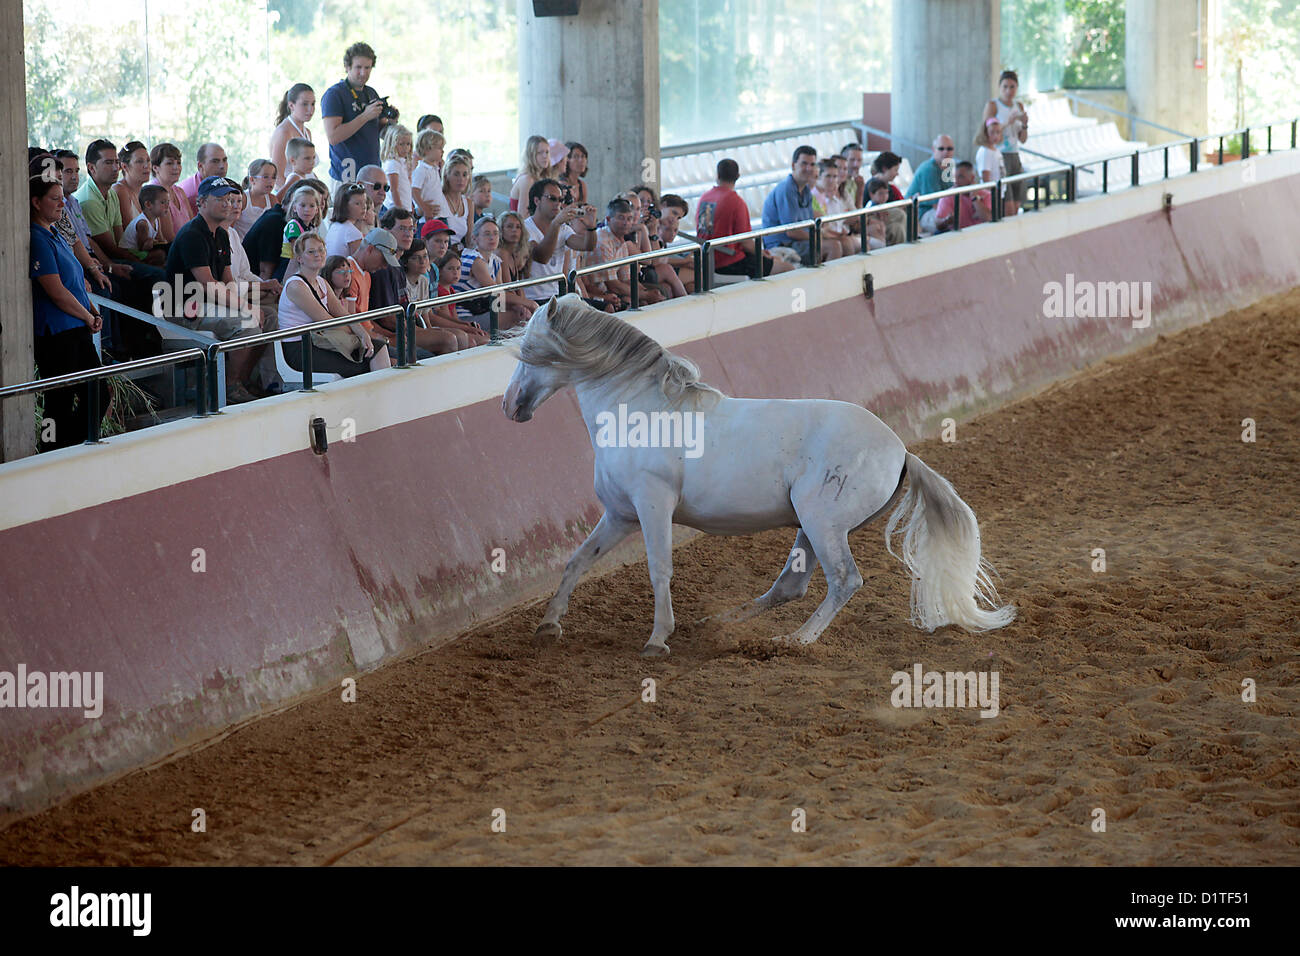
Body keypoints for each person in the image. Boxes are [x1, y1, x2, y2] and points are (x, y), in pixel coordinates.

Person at [161, 176, 266, 402]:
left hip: (208, 303)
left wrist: (251, 306)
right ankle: (227, 386)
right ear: (201, 202)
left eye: (229, 198)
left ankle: (241, 379)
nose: (227, 204)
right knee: (247, 324)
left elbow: (228, 279)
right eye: (220, 199)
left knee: (271, 318)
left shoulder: (221, 234)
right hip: (183, 308)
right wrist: (247, 308)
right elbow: (208, 285)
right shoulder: (192, 234)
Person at [29, 170, 108, 450]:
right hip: (57, 332)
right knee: (59, 400)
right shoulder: (37, 238)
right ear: (37, 202)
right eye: (55, 199)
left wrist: (91, 310)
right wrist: (87, 314)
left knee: (97, 393)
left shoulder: (56, 232)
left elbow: (75, 281)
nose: (62, 204)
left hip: (77, 326)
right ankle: (52, 450)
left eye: (62, 198)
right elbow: (56, 291)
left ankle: (72, 448)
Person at [279, 233, 390, 378]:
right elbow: (326, 321)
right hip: (301, 348)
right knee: (365, 364)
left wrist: (364, 334)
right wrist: (356, 333)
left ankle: (381, 398)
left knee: (378, 347)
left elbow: (343, 314)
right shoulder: (296, 286)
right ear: (299, 258)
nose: (318, 254)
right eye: (311, 252)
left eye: (321, 250)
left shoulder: (322, 282)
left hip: (321, 341)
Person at [697, 157, 792, 278]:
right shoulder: (736, 202)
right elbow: (746, 243)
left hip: (707, 260)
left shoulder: (704, 198)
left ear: (717, 175)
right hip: (729, 263)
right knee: (787, 268)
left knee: (775, 261)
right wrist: (764, 254)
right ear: (737, 176)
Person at [321, 42, 388, 190]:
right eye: (358, 67)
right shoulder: (335, 94)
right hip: (346, 176)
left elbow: (381, 132)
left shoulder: (371, 93)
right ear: (347, 66)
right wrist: (364, 116)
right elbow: (333, 137)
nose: (363, 73)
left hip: (372, 175)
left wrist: (389, 122)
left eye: (367, 68)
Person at [523, 178, 596, 303]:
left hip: (558, 296)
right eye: (552, 198)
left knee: (606, 308)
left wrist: (591, 227)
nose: (558, 203)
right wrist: (556, 223)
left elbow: (587, 245)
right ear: (537, 201)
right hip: (535, 299)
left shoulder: (563, 228)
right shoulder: (526, 228)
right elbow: (542, 257)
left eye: (560, 199)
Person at [762, 145, 831, 265]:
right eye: (804, 164)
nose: (809, 168)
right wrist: (819, 237)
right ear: (793, 165)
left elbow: (808, 224)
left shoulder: (806, 190)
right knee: (833, 246)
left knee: (844, 242)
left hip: (799, 241)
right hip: (782, 244)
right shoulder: (786, 189)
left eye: (812, 164)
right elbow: (792, 232)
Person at [983, 69, 1029, 214]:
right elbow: (986, 133)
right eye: (1005, 87)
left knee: (1016, 203)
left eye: (1012, 87)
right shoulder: (993, 105)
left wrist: (1024, 124)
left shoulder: (1019, 106)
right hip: (1000, 155)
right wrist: (1007, 123)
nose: (1008, 91)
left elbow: (1023, 139)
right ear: (999, 87)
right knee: (1007, 203)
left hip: (1014, 154)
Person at [905, 135, 956, 234]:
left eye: (949, 149)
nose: (946, 152)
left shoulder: (948, 166)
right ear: (934, 149)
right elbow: (936, 204)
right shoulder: (929, 169)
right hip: (922, 213)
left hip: (940, 208)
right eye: (941, 148)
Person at [269, 83, 316, 190]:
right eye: (305, 104)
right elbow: (277, 176)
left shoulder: (307, 132)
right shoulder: (284, 132)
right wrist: (296, 196)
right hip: (291, 196)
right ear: (291, 105)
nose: (310, 109)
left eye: (313, 104)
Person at [811, 158, 858, 257]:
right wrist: (838, 234)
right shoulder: (813, 195)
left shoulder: (830, 196)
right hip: (816, 238)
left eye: (835, 176)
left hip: (830, 235)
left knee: (850, 242)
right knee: (844, 243)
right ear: (818, 177)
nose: (832, 180)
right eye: (828, 176)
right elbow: (822, 227)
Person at [974, 117, 1017, 217]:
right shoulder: (985, 152)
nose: (996, 136)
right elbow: (986, 177)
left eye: (998, 132)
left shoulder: (995, 150)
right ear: (985, 133)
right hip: (992, 196)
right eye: (992, 132)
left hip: (999, 193)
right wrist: (990, 196)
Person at [148, 142, 191, 241]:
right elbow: (168, 237)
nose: (176, 167)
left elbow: (193, 225)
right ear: (155, 168)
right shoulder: (153, 193)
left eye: (179, 163)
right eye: (169, 163)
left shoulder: (179, 191)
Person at [933, 161, 991, 232]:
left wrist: (975, 199)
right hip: (957, 237)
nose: (956, 181)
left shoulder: (986, 194)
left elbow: (989, 219)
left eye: (961, 177)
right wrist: (947, 220)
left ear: (972, 178)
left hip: (981, 235)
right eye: (954, 177)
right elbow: (938, 225)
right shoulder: (948, 195)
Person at [120, 184, 168, 265]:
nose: (167, 206)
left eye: (168, 202)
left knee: (170, 254)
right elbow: (142, 248)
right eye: (163, 202)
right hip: (130, 253)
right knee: (160, 255)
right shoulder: (142, 223)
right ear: (148, 204)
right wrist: (150, 242)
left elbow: (161, 239)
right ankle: (172, 276)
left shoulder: (156, 220)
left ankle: (177, 277)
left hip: (140, 252)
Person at [178, 143, 229, 217]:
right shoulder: (193, 194)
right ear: (200, 166)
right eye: (215, 161)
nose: (222, 166)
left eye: (224, 160)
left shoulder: (222, 185)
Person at [109, 141, 150, 231]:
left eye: (148, 160)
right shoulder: (120, 190)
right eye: (140, 161)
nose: (146, 166)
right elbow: (130, 233)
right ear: (124, 166)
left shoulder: (146, 192)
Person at [869, 150, 908, 244]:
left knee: (897, 228)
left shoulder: (892, 188)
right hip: (875, 221)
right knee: (900, 214)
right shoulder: (871, 185)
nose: (897, 174)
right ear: (884, 169)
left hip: (887, 223)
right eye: (895, 170)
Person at [509, 134, 554, 212]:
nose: (545, 156)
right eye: (540, 152)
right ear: (531, 155)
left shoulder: (542, 176)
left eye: (547, 152)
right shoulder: (527, 179)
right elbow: (523, 215)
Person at [410, 128, 445, 222]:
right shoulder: (421, 170)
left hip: (438, 215)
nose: (442, 151)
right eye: (439, 148)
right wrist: (425, 209)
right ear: (427, 150)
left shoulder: (434, 168)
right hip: (426, 218)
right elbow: (414, 190)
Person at [326, 182, 369, 257]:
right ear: (344, 206)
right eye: (357, 203)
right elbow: (357, 264)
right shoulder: (352, 233)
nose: (364, 207)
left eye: (365, 202)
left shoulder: (334, 226)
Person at [437, 155, 473, 245]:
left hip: (459, 253)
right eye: (456, 174)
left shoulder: (468, 203)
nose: (461, 179)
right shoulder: (439, 198)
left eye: (465, 175)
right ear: (447, 176)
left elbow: (469, 239)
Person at [238, 159, 277, 240]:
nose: (270, 181)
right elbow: (229, 226)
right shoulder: (243, 199)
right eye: (265, 177)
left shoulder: (272, 200)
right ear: (252, 180)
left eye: (273, 177)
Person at [380, 124, 414, 213]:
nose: (406, 148)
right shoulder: (393, 163)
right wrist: (400, 210)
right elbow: (393, 189)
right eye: (401, 144)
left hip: (404, 207)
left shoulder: (401, 162)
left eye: (408, 144)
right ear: (392, 144)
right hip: (394, 208)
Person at [272, 138, 317, 203]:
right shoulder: (295, 178)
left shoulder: (310, 175)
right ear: (293, 161)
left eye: (313, 157)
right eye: (307, 158)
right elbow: (278, 198)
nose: (312, 162)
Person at [559, 142, 589, 207]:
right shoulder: (560, 184)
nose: (581, 160)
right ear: (566, 160)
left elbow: (583, 210)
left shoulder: (582, 185)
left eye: (583, 156)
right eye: (576, 156)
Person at [841, 142, 866, 209]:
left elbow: (859, 211)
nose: (856, 165)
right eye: (852, 160)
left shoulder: (857, 182)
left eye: (859, 160)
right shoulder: (836, 184)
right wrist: (860, 190)